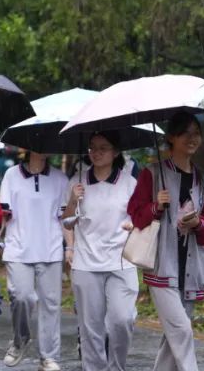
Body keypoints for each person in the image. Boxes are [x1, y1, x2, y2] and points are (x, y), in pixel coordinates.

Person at [127, 112, 204, 371]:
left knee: (173, 340)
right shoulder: (152, 174)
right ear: (171, 137)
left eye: (196, 133)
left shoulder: (203, 179)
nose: (192, 138)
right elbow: (136, 216)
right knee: (181, 331)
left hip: (191, 270)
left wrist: (198, 224)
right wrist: (156, 206)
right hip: (162, 266)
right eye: (185, 133)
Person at [62, 131, 139, 371]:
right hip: (86, 265)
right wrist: (74, 200)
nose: (96, 153)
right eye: (93, 147)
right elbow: (65, 221)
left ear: (116, 152)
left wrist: (133, 225)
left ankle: (117, 367)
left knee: (122, 319)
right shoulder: (77, 180)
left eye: (103, 148)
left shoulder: (129, 182)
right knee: (90, 328)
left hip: (122, 261)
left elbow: (141, 218)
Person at [0, 150, 69, 371]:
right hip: (18, 249)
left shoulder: (60, 179)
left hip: (51, 248)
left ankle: (49, 356)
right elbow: (4, 214)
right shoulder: (11, 175)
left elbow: (64, 217)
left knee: (51, 305)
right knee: (22, 297)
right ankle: (20, 341)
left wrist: (71, 247)